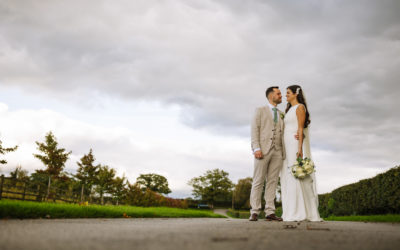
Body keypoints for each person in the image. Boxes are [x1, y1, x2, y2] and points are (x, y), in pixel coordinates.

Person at [280, 85, 322, 221]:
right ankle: (290, 210)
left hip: (293, 145)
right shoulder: (289, 110)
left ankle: (301, 211)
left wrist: (299, 149)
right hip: (286, 145)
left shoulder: (300, 108)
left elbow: (300, 128)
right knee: (287, 176)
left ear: (295, 94)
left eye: (288, 93)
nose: (286, 95)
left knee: (296, 174)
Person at [249, 86, 285, 221]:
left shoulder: (282, 113)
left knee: (273, 182)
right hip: (262, 150)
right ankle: (254, 211)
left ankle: (270, 211)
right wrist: (256, 148)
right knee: (258, 181)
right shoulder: (260, 110)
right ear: (271, 96)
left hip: (278, 150)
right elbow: (254, 129)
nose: (281, 96)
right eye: (278, 93)